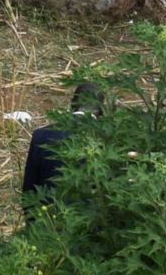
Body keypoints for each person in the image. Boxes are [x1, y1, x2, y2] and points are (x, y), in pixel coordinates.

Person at [20, 83, 107, 221]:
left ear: (72, 106)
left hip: (47, 222)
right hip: (88, 228)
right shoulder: (107, 141)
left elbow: (29, 190)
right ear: (101, 112)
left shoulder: (41, 135)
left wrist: (32, 224)